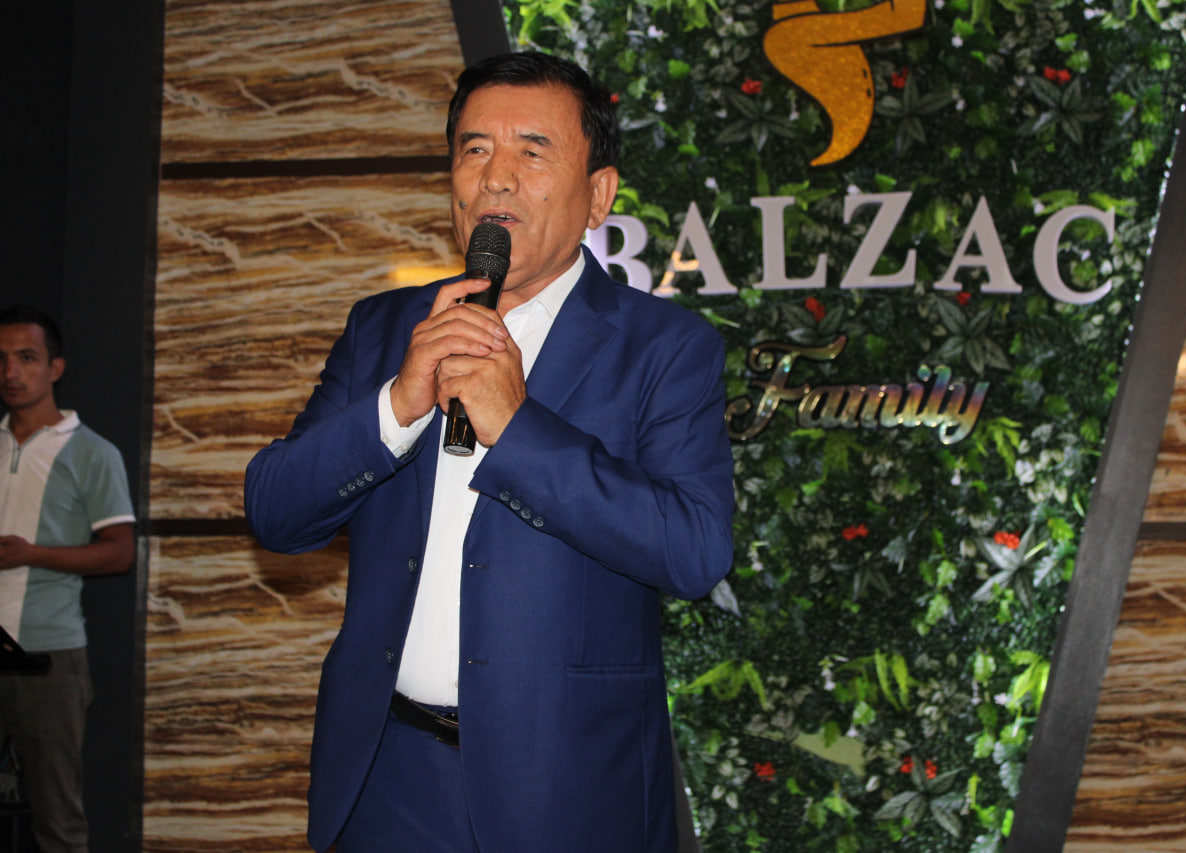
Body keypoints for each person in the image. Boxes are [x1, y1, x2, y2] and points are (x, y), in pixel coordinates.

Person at [244, 51, 734, 852]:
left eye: (532, 151)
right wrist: (397, 406)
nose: (496, 177)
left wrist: (520, 426)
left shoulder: (665, 347)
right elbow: (274, 509)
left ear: (598, 195)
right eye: (474, 149)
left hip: (571, 790)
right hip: (389, 780)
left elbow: (695, 549)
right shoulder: (384, 327)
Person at [0, 304, 136, 853]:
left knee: (57, 822)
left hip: (49, 658)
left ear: (55, 368)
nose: (11, 371)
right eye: (1, 359)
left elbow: (121, 553)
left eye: (26, 357)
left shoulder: (93, 453)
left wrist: (32, 554)